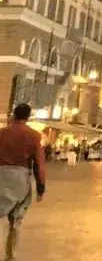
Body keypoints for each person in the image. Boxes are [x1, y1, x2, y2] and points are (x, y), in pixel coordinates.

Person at [0, 104, 46, 260]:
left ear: (13, 115)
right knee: (16, 219)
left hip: (1, 175)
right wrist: (41, 188)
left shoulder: (2, 133)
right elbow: (39, 164)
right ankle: (10, 255)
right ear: (28, 116)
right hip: (20, 178)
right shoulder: (34, 135)